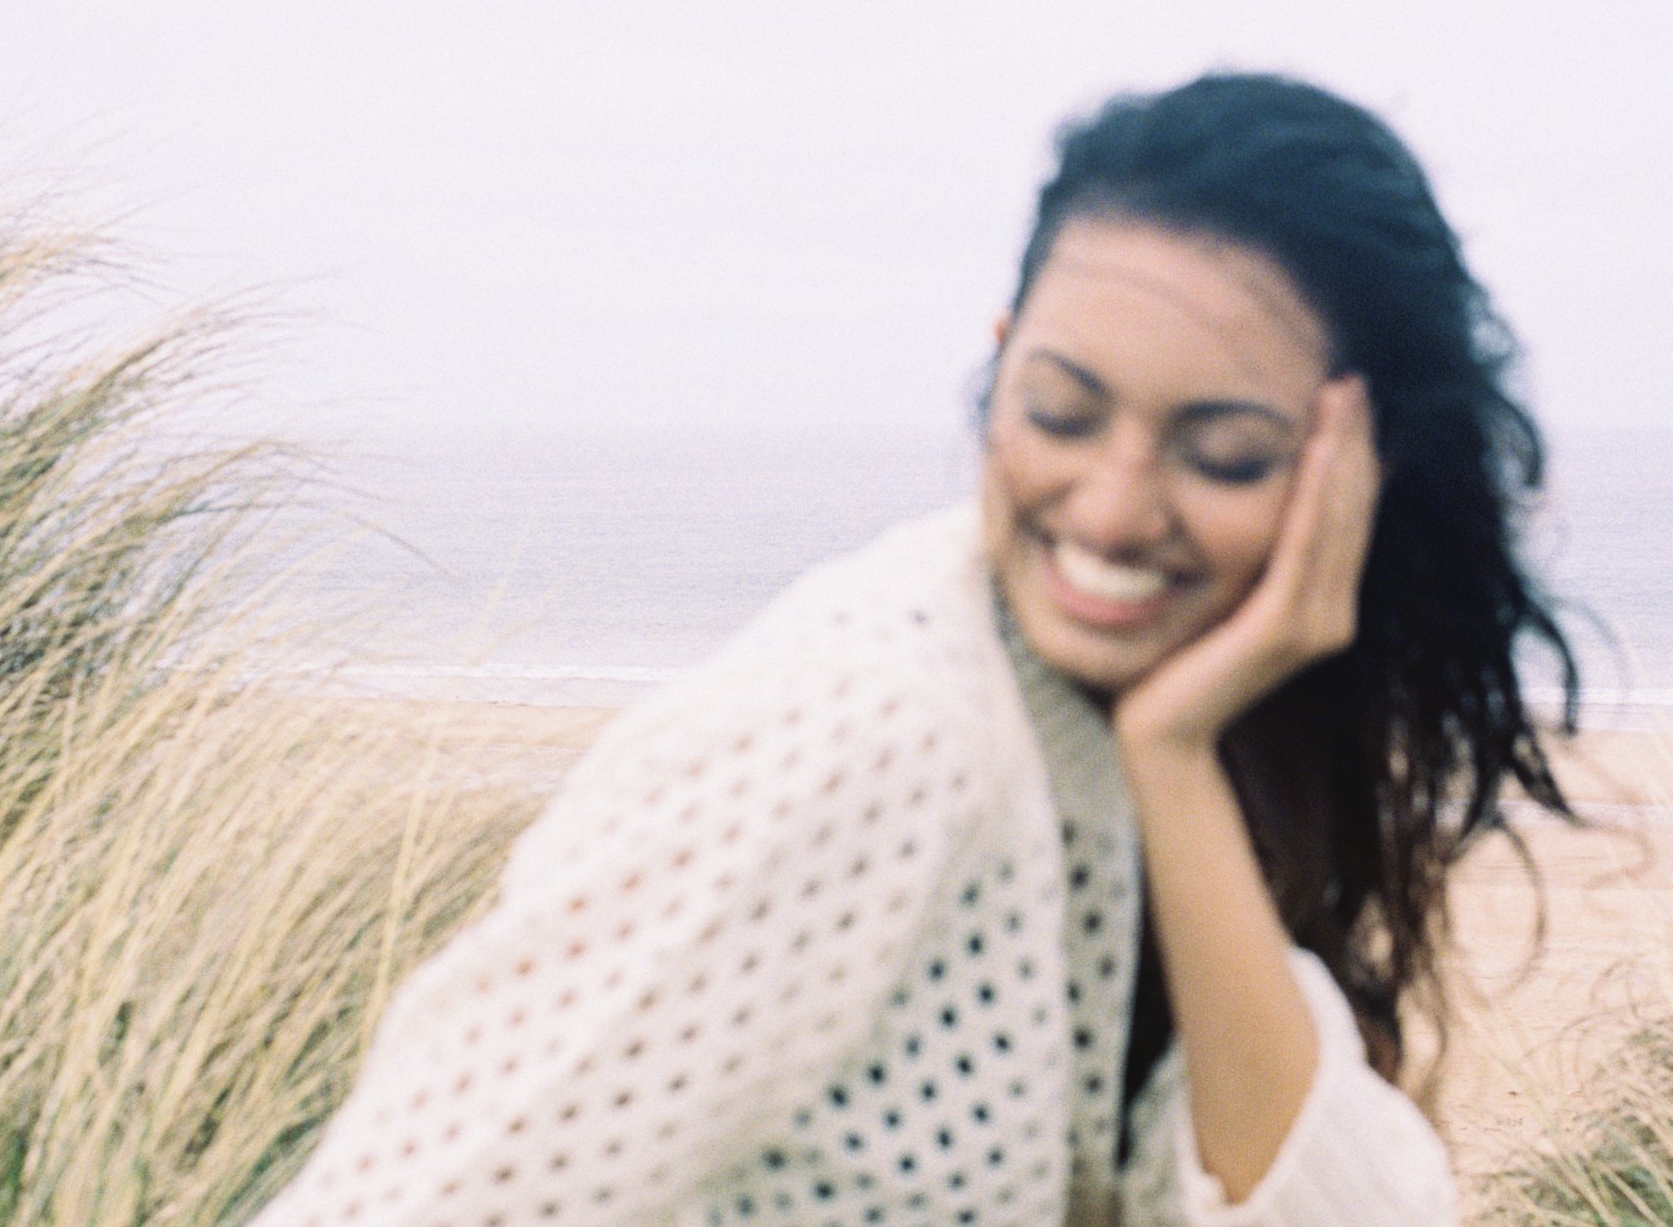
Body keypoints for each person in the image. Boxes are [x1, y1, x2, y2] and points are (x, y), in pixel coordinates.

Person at [247, 73, 1578, 1227]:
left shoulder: (1143, 714)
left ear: (1353, 469)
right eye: (1060, 411)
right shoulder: (878, 723)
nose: (1111, 506)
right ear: (997, 369)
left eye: (1219, 451)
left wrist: (1173, 756)